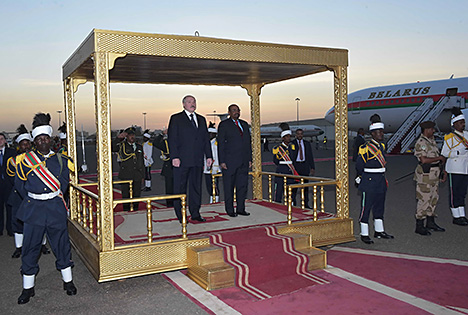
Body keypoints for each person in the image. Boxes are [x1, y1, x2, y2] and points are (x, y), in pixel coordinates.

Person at [15, 113, 76, 304]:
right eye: (39, 139)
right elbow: (20, 185)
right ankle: (28, 288)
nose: (43, 141)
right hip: (34, 209)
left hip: (54, 207)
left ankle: (68, 282)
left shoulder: (61, 160)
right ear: (34, 141)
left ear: (51, 140)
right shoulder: (23, 160)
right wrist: (36, 198)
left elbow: (64, 184)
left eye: (46, 138)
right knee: (31, 247)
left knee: (61, 245)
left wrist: (49, 197)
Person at [7, 125, 51, 258]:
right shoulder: (13, 161)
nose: (25, 147)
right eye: (22, 144)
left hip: (35, 196)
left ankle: (42, 244)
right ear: (18, 146)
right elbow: (12, 179)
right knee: (17, 223)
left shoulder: (37, 160)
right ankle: (19, 247)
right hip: (18, 196)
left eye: (27, 144)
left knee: (40, 221)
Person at [168, 95, 212, 222]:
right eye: (189, 102)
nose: (192, 104)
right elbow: (173, 139)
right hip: (181, 161)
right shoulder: (176, 118)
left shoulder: (201, 119)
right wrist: (174, 157)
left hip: (197, 160)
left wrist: (209, 156)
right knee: (180, 188)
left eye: (194, 102)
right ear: (183, 104)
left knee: (196, 188)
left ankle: (195, 213)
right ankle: (180, 214)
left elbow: (205, 140)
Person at [355, 115, 394, 244]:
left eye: (382, 132)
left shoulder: (382, 146)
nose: (381, 134)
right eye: (379, 132)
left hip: (380, 180)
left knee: (379, 206)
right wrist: (361, 177)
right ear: (372, 134)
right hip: (369, 180)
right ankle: (364, 233)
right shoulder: (365, 148)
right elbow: (359, 166)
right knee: (366, 207)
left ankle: (379, 231)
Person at [218, 104, 252, 216]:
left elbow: (248, 143)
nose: (236, 112)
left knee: (242, 186)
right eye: (233, 110)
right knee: (229, 187)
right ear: (229, 112)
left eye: (238, 110)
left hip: (243, 161)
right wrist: (222, 161)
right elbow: (221, 144)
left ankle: (241, 209)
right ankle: (230, 210)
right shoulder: (224, 125)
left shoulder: (244, 124)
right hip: (229, 162)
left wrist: (249, 159)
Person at [413, 121, 446, 235]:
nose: (434, 131)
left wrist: (442, 171)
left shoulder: (431, 141)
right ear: (426, 130)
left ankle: (430, 222)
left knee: (433, 198)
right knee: (424, 199)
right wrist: (439, 158)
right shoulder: (421, 143)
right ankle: (419, 225)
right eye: (432, 129)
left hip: (434, 175)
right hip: (425, 176)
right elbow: (424, 160)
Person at [441, 108, 468, 226]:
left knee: (462, 192)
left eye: (463, 122)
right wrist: (458, 153)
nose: (463, 124)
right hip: (454, 167)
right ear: (455, 124)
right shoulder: (450, 137)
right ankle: (456, 216)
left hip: (465, 168)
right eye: (461, 123)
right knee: (454, 193)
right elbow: (445, 153)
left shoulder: (467, 135)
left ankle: (462, 215)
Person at [112, 127, 144, 211]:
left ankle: (135, 210)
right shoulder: (121, 146)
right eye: (130, 135)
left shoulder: (139, 147)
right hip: (126, 174)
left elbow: (141, 162)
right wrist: (118, 138)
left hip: (137, 175)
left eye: (133, 135)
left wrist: (143, 176)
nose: (132, 137)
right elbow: (112, 147)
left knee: (136, 194)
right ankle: (126, 210)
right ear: (126, 137)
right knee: (126, 195)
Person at [272, 123, 298, 204]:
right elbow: (275, 161)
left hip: (290, 170)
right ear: (283, 138)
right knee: (279, 190)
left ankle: (292, 204)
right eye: (287, 136)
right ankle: (278, 204)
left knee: (290, 190)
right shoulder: (277, 148)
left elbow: (294, 158)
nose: (288, 138)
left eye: (289, 136)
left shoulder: (292, 147)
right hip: (281, 170)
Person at [290, 128, 315, 208]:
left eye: (301, 134)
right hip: (296, 166)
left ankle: (306, 204)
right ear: (295, 135)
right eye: (298, 134)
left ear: (303, 135)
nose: (299, 135)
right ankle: (293, 203)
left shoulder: (307, 143)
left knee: (305, 187)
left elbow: (310, 156)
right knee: (294, 186)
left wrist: (312, 167)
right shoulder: (292, 144)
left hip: (304, 166)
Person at [0, 132, 16, 236]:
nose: (0, 141)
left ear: (5, 141)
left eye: (1, 139)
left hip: (9, 185)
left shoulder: (12, 152)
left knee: (10, 209)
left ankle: (10, 229)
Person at [154, 127, 173, 207]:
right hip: (169, 168)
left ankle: (179, 203)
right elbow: (155, 143)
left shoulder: (181, 141)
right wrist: (161, 134)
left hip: (180, 169)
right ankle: (169, 204)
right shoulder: (166, 143)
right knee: (169, 189)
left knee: (180, 189)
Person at [204, 123, 221, 203]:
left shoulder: (216, 144)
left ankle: (216, 201)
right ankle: (212, 200)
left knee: (214, 186)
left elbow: (217, 158)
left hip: (214, 169)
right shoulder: (207, 143)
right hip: (206, 169)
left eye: (210, 134)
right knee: (209, 187)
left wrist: (215, 168)